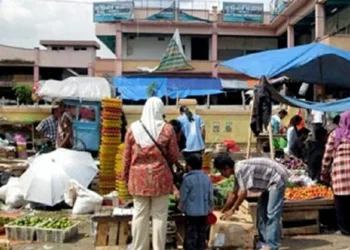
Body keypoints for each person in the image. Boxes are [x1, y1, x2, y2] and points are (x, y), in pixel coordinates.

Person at [122, 97, 179, 250]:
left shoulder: (133, 129)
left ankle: (139, 247)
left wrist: (125, 177)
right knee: (160, 216)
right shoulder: (168, 129)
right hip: (161, 179)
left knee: (140, 214)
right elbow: (174, 155)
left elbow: (126, 156)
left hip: (138, 179)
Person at [214, 154, 290, 250]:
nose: (221, 175)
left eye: (221, 171)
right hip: (268, 182)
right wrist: (223, 210)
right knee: (261, 211)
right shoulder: (237, 172)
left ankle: (273, 245)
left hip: (277, 178)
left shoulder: (240, 169)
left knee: (272, 214)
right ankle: (264, 240)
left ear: (227, 168)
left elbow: (243, 193)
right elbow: (233, 194)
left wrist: (232, 209)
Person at [321, 111, 350, 236]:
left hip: (340, 174)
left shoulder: (335, 134)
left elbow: (327, 156)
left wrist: (324, 173)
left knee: (341, 203)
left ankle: (345, 230)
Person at [179, 154, 213, 250]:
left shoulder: (187, 179)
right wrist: (210, 208)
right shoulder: (207, 178)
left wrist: (180, 207)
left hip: (191, 213)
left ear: (189, 166)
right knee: (201, 236)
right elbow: (211, 195)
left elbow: (183, 196)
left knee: (191, 236)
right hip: (204, 212)